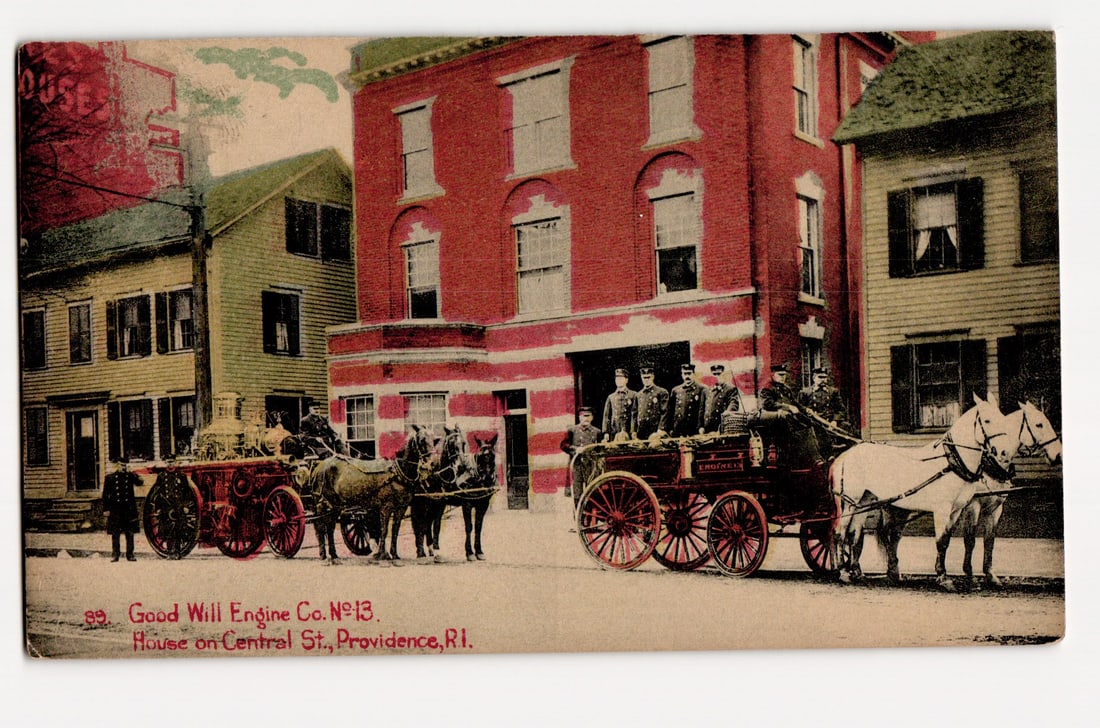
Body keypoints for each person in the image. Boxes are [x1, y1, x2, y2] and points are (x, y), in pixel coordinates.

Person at [758, 363, 822, 468]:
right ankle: (813, 459)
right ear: (773, 375)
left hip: (790, 420)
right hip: (777, 422)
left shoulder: (786, 389)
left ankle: (818, 457)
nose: (783, 377)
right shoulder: (767, 388)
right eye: (780, 375)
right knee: (802, 432)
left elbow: (795, 403)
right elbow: (768, 404)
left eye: (784, 375)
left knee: (811, 424)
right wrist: (787, 407)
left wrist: (805, 409)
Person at [102, 458, 142, 562]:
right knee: (115, 533)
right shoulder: (110, 478)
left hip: (128, 509)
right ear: (117, 465)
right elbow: (105, 495)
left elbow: (140, 482)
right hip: (115, 509)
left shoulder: (130, 476)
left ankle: (130, 554)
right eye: (121, 465)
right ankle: (115, 554)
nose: (123, 467)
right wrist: (106, 509)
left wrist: (133, 472)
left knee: (130, 533)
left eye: (125, 465)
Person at [561, 406, 602, 505]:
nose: (586, 419)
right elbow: (564, 445)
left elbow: (600, 449)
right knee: (577, 492)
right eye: (583, 416)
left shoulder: (597, 432)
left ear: (592, 418)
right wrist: (575, 449)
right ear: (579, 417)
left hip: (591, 465)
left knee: (591, 490)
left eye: (588, 416)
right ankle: (579, 517)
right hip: (577, 465)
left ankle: (590, 516)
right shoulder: (572, 430)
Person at [663, 363, 707, 438]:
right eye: (685, 374)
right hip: (678, 429)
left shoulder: (701, 389)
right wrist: (670, 428)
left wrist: (701, 427)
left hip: (694, 429)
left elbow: (702, 410)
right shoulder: (676, 390)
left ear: (693, 374)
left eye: (689, 373)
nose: (687, 376)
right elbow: (670, 411)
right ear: (682, 375)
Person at [703, 364, 743, 433]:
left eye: (719, 374)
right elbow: (702, 410)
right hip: (707, 428)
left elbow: (734, 403)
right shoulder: (707, 390)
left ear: (723, 374)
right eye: (714, 374)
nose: (716, 376)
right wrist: (700, 426)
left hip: (721, 426)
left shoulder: (730, 389)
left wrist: (728, 412)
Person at [635, 365, 670, 439]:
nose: (646, 380)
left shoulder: (661, 392)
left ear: (653, 377)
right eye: (644, 378)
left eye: (648, 377)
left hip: (655, 430)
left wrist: (661, 428)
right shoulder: (638, 395)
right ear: (641, 378)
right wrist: (633, 431)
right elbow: (634, 413)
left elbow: (665, 411)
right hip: (641, 431)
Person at [602, 368, 637, 442]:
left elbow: (635, 415)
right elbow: (606, 416)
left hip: (628, 429)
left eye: (621, 378)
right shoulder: (611, 397)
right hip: (615, 429)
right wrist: (606, 432)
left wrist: (633, 430)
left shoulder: (633, 395)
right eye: (617, 379)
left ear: (626, 380)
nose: (619, 381)